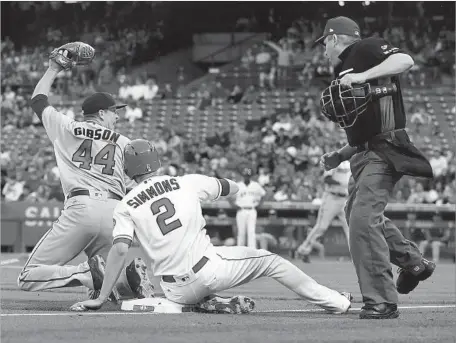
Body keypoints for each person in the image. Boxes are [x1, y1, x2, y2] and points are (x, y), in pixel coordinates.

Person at [70, 139, 352, 314]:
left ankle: (202, 302)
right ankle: (336, 302)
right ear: (156, 161)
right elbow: (231, 187)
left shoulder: (126, 204)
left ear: (128, 169)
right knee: (273, 262)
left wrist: (102, 297)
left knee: (183, 281)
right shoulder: (185, 181)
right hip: (210, 271)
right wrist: (237, 186)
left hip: (173, 290)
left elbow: (120, 249)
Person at [315, 16, 436, 319]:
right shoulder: (340, 68)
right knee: (358, 215)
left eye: (323, 44)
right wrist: (341, 154)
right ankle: (414, 262)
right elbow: (363, 130)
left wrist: (361, 76)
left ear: (332, 39)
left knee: (362, 221)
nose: (323, 51)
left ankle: (381, 301)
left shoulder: (366, 47)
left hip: (385, 150)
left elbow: (405, 60)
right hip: (363, 154)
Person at [17, 57, 154, 301]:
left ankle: (85, 272)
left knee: (28, 276)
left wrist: (53, 68)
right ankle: (128, 281)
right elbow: (143, 181)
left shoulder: (66, 126)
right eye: (114, 111)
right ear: (100, 113)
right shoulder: (124, 142)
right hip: (115, 213)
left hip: (82, 208)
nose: (117, 117)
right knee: (107, 287)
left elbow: (38, 99)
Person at [296, 161, 351, 262]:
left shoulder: (350, 163)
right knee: (321, 226)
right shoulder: (334, 160)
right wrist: (341, 183)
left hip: (345, 199)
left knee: (350, 228)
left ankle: (356, 255)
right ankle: (303, 251)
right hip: (332, 197)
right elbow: (327, 179)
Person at [230, 167, 266, 248]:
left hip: (252, 210)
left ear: (251, 176)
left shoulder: (256, 185)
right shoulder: (238, 185)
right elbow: (229, 196)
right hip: (241, 210)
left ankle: (252, 252)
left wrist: (259, 204)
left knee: (251, 232)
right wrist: (233, 205)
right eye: (245, 175)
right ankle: (240, 252)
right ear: (243, 176)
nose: (246, 177)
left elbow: (263, 195)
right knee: (241, 232)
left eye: (248, 176)